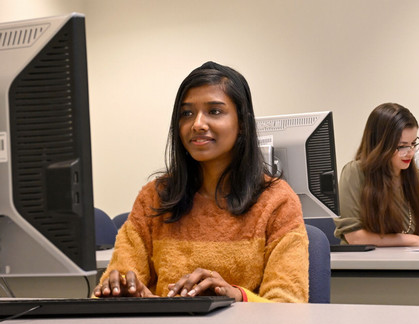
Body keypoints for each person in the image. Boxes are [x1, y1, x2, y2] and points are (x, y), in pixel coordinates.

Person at [94, 62, 309, 303]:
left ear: (243, 124)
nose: (197, 124)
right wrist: (127, 293)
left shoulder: (277, 200)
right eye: (186, 113)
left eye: (214, 111)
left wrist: (234, 296)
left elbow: (289, 305)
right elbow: (119, 282)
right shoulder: (155, 197)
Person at [334, 102, 419, 249]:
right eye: (402, 146)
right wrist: (411, 240)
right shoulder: (355, 174)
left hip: (413, 268)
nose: (410, 152)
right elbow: (355, 237)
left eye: (413, 143)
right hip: (365, 267)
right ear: (380, 145)